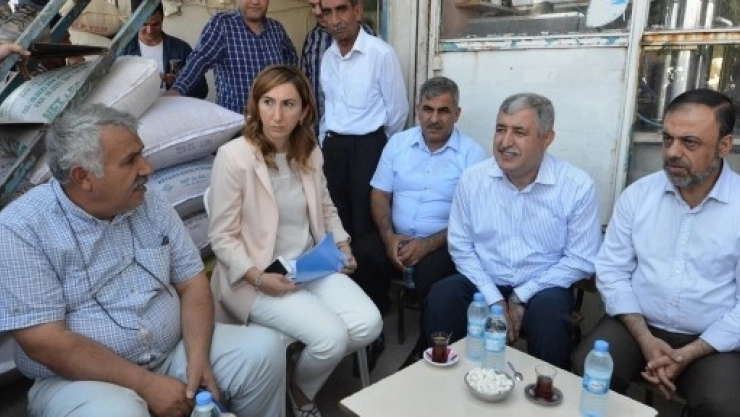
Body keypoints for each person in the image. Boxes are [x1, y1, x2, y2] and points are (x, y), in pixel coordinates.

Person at [0, 104, 285, 416]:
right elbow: (44, 342)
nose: (147, 168)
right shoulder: (22, 228)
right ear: (83, 177)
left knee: (263, 351)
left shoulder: (148, 201)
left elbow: (192, 282)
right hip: (80, 380)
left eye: (142, 154)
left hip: (173, 352)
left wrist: (198, 359)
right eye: (130, 160)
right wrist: (146, 384)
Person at [207, 65, 382, 417]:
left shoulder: (309, 152)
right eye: (268, 102)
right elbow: (221, 236)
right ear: (256, 106)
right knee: (331, 337)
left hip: (308, 265)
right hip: (256, 278)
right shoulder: (234, 157)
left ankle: (294, 381)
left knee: (369, 324)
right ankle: (303, 395)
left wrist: (342, 245)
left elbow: (326, 207)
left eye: (288, 104)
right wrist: (258, 277)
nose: (277, 115)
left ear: (304, 111)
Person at [573, 89, 740, 417]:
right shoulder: (639, 196)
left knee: (724, 405)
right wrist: (645, 340)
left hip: (712, 339)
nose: (673, 152)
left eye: (689, 142)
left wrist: (690, 352)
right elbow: (612, 270)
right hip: (636, 324)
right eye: (667, 139)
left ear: (724, 145)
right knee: (587, 368)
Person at [422, 92, 602, 370]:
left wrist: (521, 295)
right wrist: (495, 298)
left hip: (543, 284)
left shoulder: (576, 186)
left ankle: (544, 389)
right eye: (500, 129)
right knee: (442, 297)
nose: (505, 142)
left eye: (519, 132)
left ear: (547, 138)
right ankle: (444, 378)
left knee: (550, 318)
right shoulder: (473, 180)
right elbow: (460, 246)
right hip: (483, 278)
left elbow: (581, 259)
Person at [352, 76, 486, 365]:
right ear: (417, 110)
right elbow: (379, 194)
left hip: (443, 244)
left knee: (433, 275)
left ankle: (428, 343)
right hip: (397, 237)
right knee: (363, 252)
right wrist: (388, 237)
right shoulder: (398, 143)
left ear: (457, 114)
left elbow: (474, 218)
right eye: (428, 109)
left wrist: (427, 245)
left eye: (443, 111)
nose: (434, 119)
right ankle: (372, 331)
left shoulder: (473, 155)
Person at [319, 0, 409, 241]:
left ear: (357, 11)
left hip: (368, 148)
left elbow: (398, 111)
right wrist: (324, 142)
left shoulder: (380, 53)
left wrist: (376, 143)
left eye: (341, 9)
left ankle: (367, 269)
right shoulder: (328, 57)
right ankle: (343, 267)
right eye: (328, 12)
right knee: (336, 222)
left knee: (367, 226)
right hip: (334, 149)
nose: (335, 20)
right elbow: (330, 107)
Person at [168, 0, 298, 114]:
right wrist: (177, 90)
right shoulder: (223, 24)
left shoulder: (276, 29)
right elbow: (200, 59)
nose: (255, 2)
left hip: (272, 122)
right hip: (237, 123)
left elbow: (291, 58)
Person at [300, 0, 375, 134]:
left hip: (359, 135)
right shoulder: (312, 38)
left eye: (320, 5)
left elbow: (394, 108)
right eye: (313, 6)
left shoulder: (367, 36)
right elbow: (303, 83)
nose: (318, 12)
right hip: (319, 131)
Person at [121, 2, 208, 99]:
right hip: (136, 107)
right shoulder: (123, 51)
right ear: (134, 20)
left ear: (162, 20)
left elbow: (202, 90)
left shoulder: (181, 49)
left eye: (155, 24)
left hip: (173, 106)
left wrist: (180, 84)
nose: (149, 30)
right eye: (144, 24)